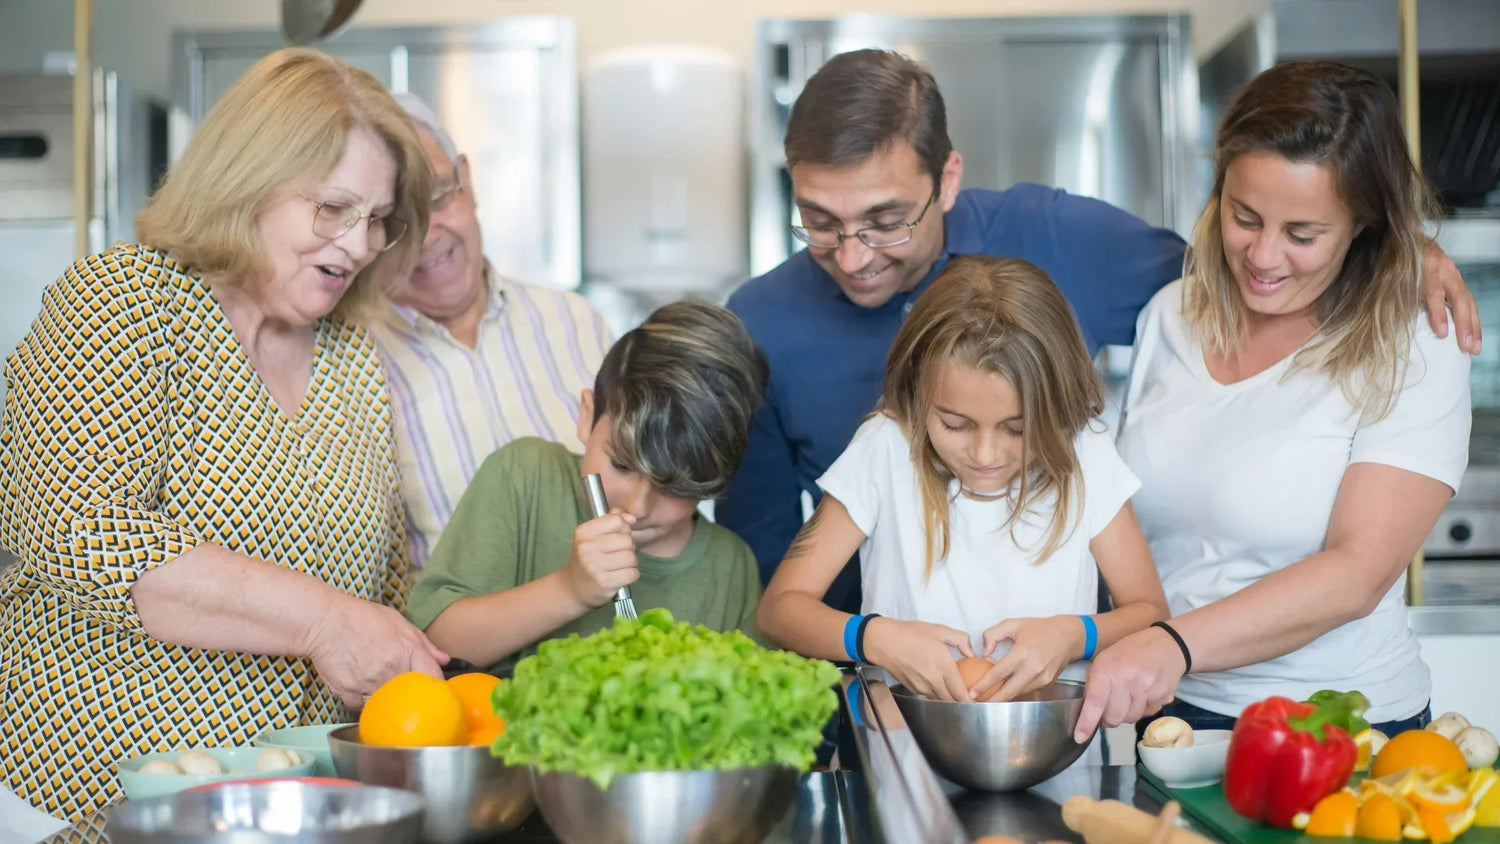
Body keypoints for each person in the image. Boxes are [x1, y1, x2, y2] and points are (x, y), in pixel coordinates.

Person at [719, 49, 1480, 614]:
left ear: (946, 179)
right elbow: (762, 560)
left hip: (1063, 684)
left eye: (886, 221)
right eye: (820, 222)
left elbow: (1248, 267)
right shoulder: (758, 324)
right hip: (877, 692)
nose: (853, 256)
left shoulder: (1059, 239)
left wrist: (1392, 247)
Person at [0, 48, 445, 831]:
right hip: (82, 799)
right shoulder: (126, 300)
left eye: (377, 219)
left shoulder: (350, 353)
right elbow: (83, 533)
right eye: (333, 207)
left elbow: (380, 581)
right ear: (250, 181)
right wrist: (324, 622)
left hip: (287, 804)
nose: (357, 244)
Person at [1072, 61, 1471, 744]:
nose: (1262, 256)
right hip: (1170, 717)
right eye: (1245, 217)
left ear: (1363, 223)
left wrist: (1173, 644)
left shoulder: (1415, 337)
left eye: (1302, 235)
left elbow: (1358, 572)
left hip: (1335, 726)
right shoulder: (1171, 314)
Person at [757, 255, 1169, 705]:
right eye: (955, 424)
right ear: (917, 392)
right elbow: (780, 609)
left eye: (1017, 429)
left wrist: (1076, 636)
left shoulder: (1085, 452)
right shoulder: (885, 446)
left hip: (1053, 741)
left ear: (1059, 407)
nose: (985, 455)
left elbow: (1150, 613)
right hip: (901, 736)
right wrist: (875, 637)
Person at [405, 300, 769, 674]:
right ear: (587, 416)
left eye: (674, 486)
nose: (638, 507)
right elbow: (435, 646)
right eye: (622, 464)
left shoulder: (731, 568)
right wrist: (570, 590)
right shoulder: (524, 476)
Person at [372, 93, 613, 570]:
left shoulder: (575, 320)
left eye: (438, 197)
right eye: (399, 218)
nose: (427, 234)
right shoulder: (347, 360)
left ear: (467, 179)